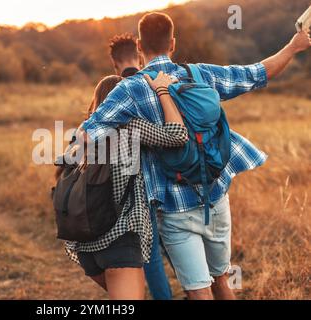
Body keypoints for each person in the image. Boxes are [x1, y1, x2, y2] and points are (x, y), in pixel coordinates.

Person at [79, 12, 311, 300]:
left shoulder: (131, 89)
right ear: (172, 43)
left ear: (139, 46)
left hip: (174, 209)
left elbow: (87, 135)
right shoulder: (202, 74)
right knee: (222, 281)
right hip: (216, 197)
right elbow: (257, 74)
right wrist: (293, 46)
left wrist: (132, 130)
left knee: (199, 292)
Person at [59, 74, 188, 300]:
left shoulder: (83, 131)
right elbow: (178, 136)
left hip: (85, 246)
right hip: (120, 241)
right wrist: (163, 92)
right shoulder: (129, 125)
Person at [108, 32, 173, 300]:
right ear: (140, 52)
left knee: (151, 254)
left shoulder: (116, 92)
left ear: (114, 64)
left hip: (136, 186)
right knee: (179, 243)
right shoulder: (155, 83)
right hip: (170, 176)